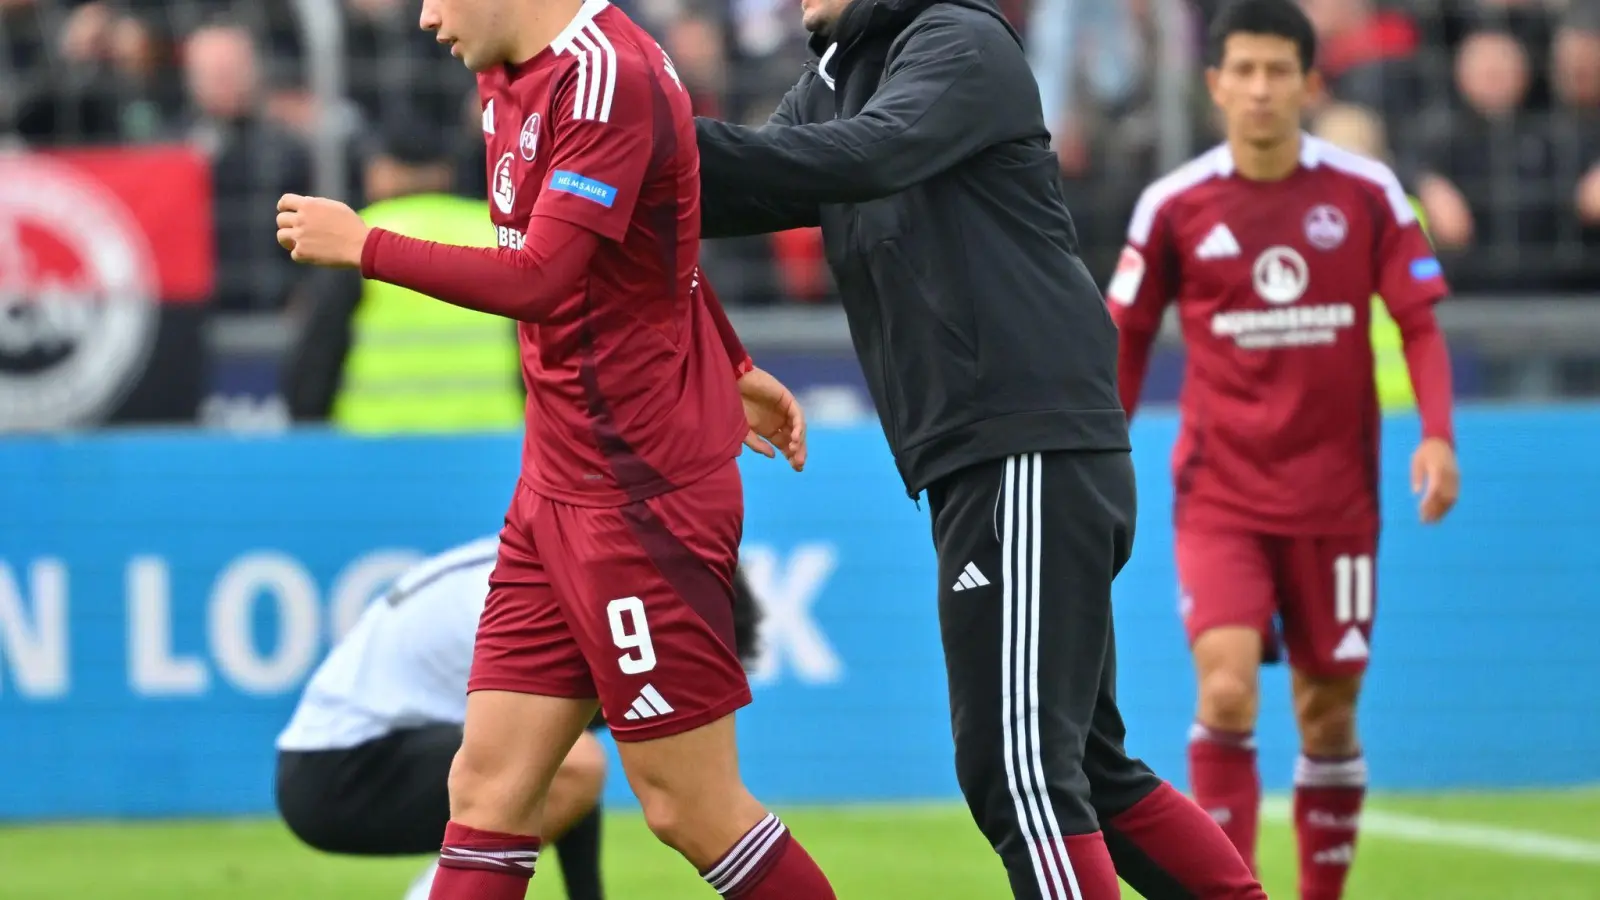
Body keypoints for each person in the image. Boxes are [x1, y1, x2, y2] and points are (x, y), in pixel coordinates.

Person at [690, 0, 1266, 897]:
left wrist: (635, 124)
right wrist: (618, 156)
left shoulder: (957, 38)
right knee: (1088, 771)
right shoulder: (840, 74)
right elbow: (754, 179)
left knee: (1019, 767)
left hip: (1021, 437)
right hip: (991, 450)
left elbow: (866, 155)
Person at [271, 0, 838, 897]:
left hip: (638, 499)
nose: (424, 19)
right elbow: (653, 250)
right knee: (487, 787)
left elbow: (543, 277)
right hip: (551, 492)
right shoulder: (504, 78)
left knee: (689, 807)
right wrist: (730, 362)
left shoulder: (611, 76)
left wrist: (366, 244)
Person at [1108, 3, 1462, 899]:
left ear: (1309, 82)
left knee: (1327, 716)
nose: (1261, 89)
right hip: (1220, 491)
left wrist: (1438, 436)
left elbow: (1418, 323)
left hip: (1337, 499)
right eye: (1244, 72)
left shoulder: (1367, 193)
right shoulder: (1174, 205)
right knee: (1225, 692)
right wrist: (1100, 456)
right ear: (1215, 82)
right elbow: (1126, 337)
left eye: (1278, 72)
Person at [275, 535, 770, 900]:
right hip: (341, 774)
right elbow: (565, 761)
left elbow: (558, 764)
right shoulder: (554, 595)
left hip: (343, 764)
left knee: (566, 758)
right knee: (573, 760)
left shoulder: (556, 569)